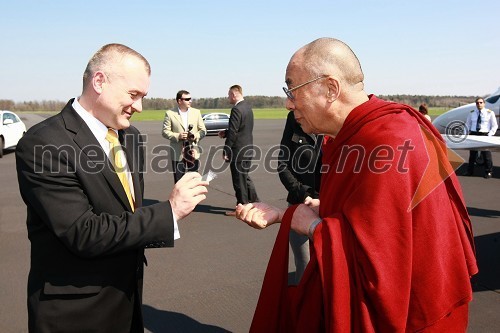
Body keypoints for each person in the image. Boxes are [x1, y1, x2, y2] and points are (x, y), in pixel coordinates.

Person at [235, 37, 478, 332]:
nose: (288, 103)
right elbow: (390, 219)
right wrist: (323, 209)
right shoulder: (363, 133)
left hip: (414, 316)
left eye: (292, 90)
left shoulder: (388, 140)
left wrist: (310, 225)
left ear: (330, 88)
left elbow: (384, 262)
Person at [15, 43, 209, 333]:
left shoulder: (131, 138)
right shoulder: (44, 144)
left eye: (143, 97)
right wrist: (169, 213)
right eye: (134, 95)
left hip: (127, 302)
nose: (140, 107)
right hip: (75, 315)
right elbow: (83, 232)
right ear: (99, 82)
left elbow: (127, 212)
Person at [277, 111, 322, 284]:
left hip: (329, 207)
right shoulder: (293, 117)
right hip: (299, 204)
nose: (290, 103)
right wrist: (304, 194)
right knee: (303, 263)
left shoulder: (335, 122)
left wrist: (322, 199)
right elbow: (283, 164)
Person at [218, 85, 259, 216]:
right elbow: (242, 129)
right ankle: (255, 203)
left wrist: (226, 149)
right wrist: (226, 132)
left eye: (229, 94)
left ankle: (241, 209)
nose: (228, 97)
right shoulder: (248, 107)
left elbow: (234, 132)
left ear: (234, 94)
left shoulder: (236, 109)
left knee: (239, 180)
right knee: (245, 177)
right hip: (248, 148)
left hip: (238, 151)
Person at [162, 90, 206, 183]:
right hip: (178, 152)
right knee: (179, 181)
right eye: (187, 99)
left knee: (194, 180)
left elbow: (203, 131)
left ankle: (193, 197)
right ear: (179, 101)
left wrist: (194, 136)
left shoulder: (196, 112)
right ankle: (181, 198)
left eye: (191, 99)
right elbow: (165, 132)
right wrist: (178, 136)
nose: (190, 101)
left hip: (193, 151)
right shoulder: (170, 113)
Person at [463, 97, 498, 178]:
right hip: (474, 134)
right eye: (477, 103)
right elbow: (467, 124)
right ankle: (470, 171)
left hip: (484, 135)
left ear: (484, 103)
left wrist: (489, 135)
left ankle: (488, 172)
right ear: (476, 104)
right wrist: (465, 134)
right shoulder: (472, 113)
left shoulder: (490, 113)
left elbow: (494, 125)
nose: (479, 104)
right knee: (472, 155)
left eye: (481, 102)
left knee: (486, 155)